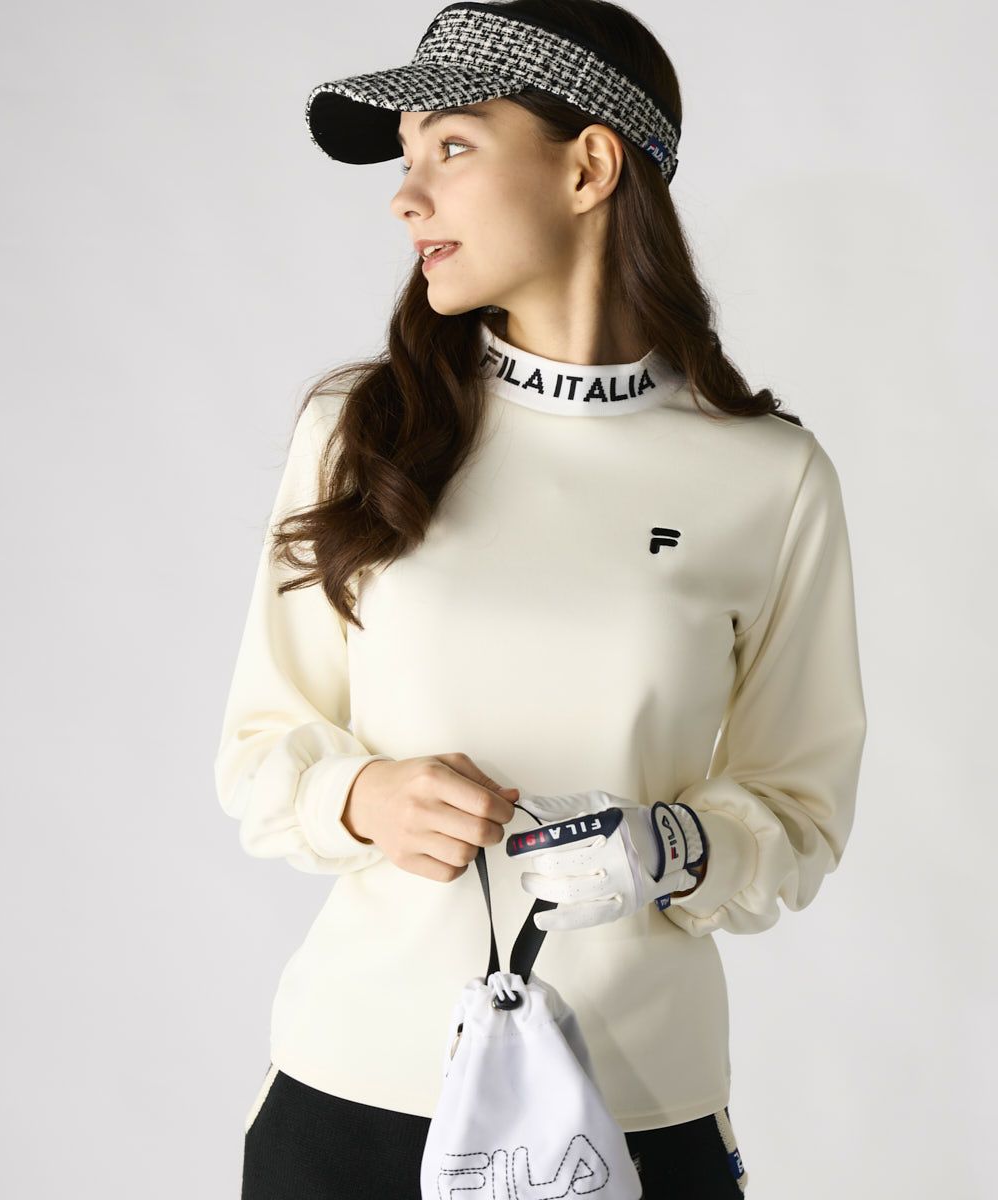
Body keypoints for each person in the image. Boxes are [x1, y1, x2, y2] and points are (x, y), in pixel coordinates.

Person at [214, 2, 868, 1197]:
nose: (406, 197)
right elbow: (259, 750)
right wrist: (361, 797)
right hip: (353, 1100)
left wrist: (671, 848)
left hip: (636, 1110)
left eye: (452, 147)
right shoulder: (359, 434)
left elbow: (799, 809)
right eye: (404, 159)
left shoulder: (769, 478)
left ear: (589, 166)